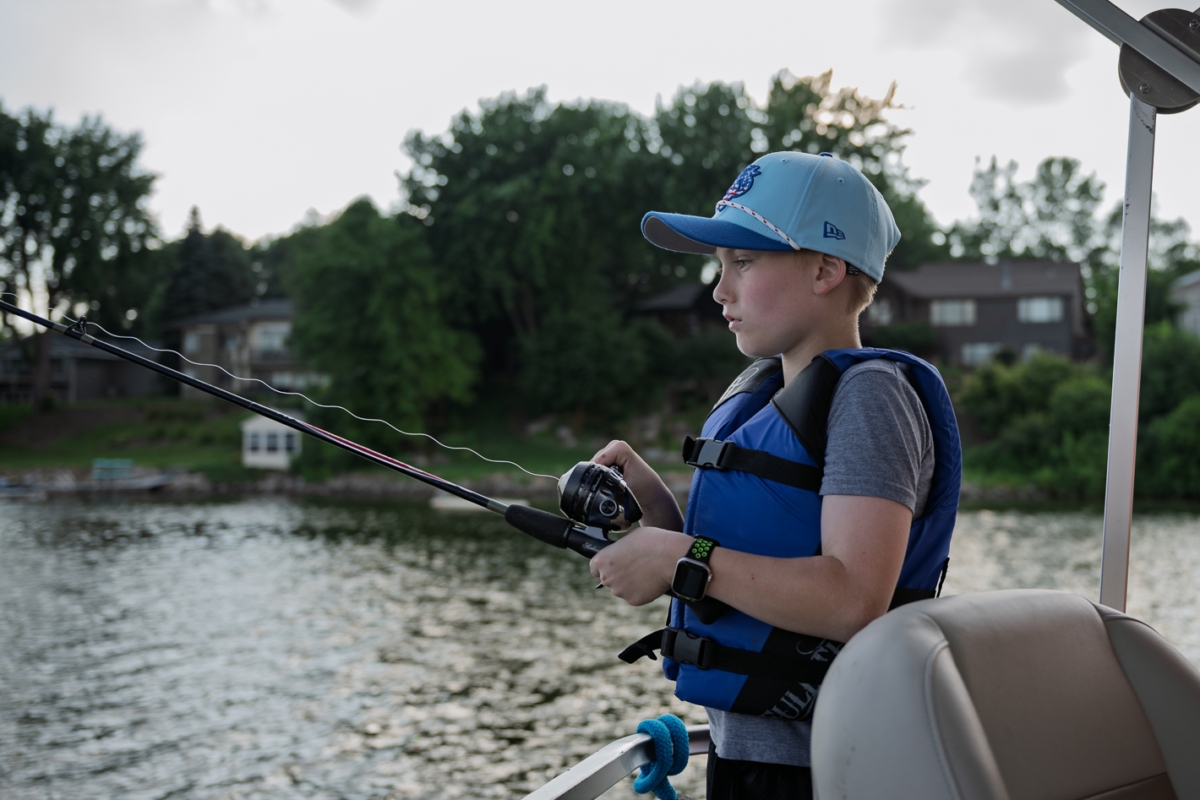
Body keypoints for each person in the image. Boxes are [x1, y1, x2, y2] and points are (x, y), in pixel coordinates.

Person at [588, 151, 961, 799]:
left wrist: (675, 555)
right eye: (721, 265)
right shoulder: (767, 393)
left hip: (827, 769)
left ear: (825, 268)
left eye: (745, 262)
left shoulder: (870, 398)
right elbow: (746, 565)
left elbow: (851, 598)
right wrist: (655, 508)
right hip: (752, 759)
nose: (719, 288)